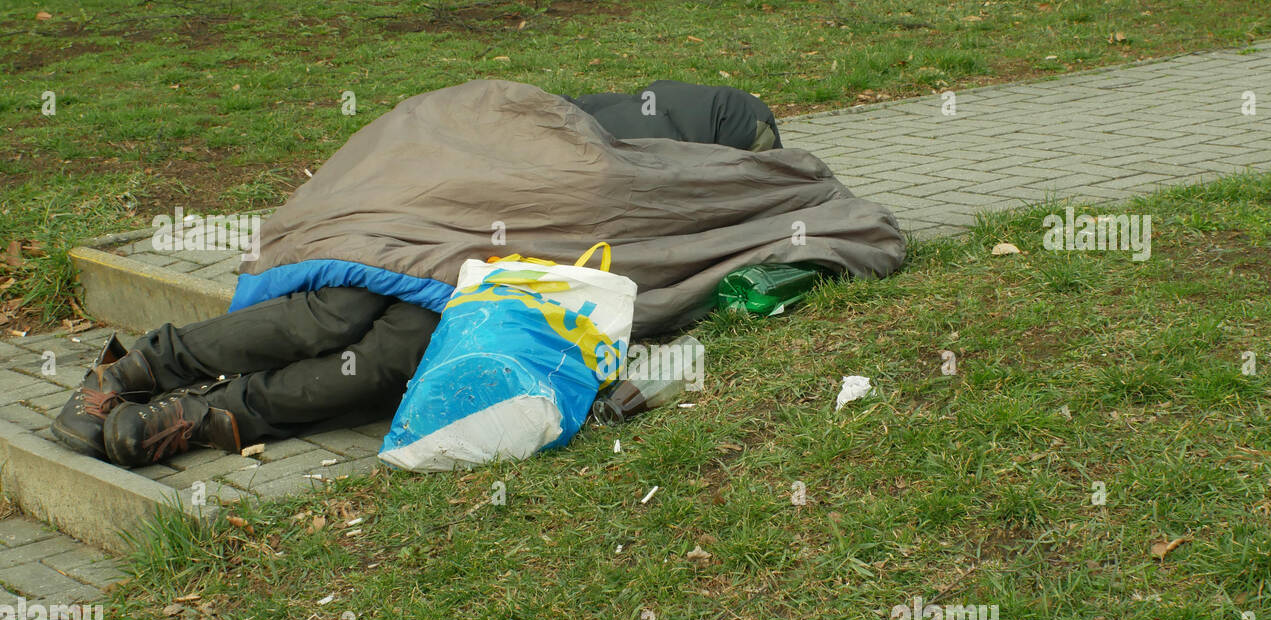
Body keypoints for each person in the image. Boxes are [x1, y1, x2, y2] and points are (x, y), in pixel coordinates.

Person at [52, 82, 786, 467]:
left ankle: (203, 419)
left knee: (387, 357)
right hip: (426, 229)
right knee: (336, 310)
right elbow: (511, 137)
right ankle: (137, 368)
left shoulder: (684, 163)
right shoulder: (643, 137)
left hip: (482, 277)